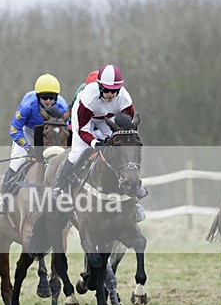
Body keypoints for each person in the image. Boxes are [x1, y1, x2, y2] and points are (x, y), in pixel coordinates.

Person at [51, 64, 148, 221]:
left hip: (106, 119)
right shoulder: (88, 97)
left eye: (114, 90)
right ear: (100, 87)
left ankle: (134, 196)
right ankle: (58, 187)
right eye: (107, 90)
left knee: (122, 150)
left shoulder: (125, 100)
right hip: (84, 120)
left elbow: (126, 132)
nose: (110, 94)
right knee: (77, 152)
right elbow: (83, 129)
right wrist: (95, 143)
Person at [5, 74, 69, 193]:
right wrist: (28, 149)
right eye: (44, 97)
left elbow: (67, 128)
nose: (48, 101)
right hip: (28, 132)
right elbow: (14, 129)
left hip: (50, 135)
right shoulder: (28, 105)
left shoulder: (62, 106)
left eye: (52, 97)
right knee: (16, 163)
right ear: (38, 96)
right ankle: (3, 199)